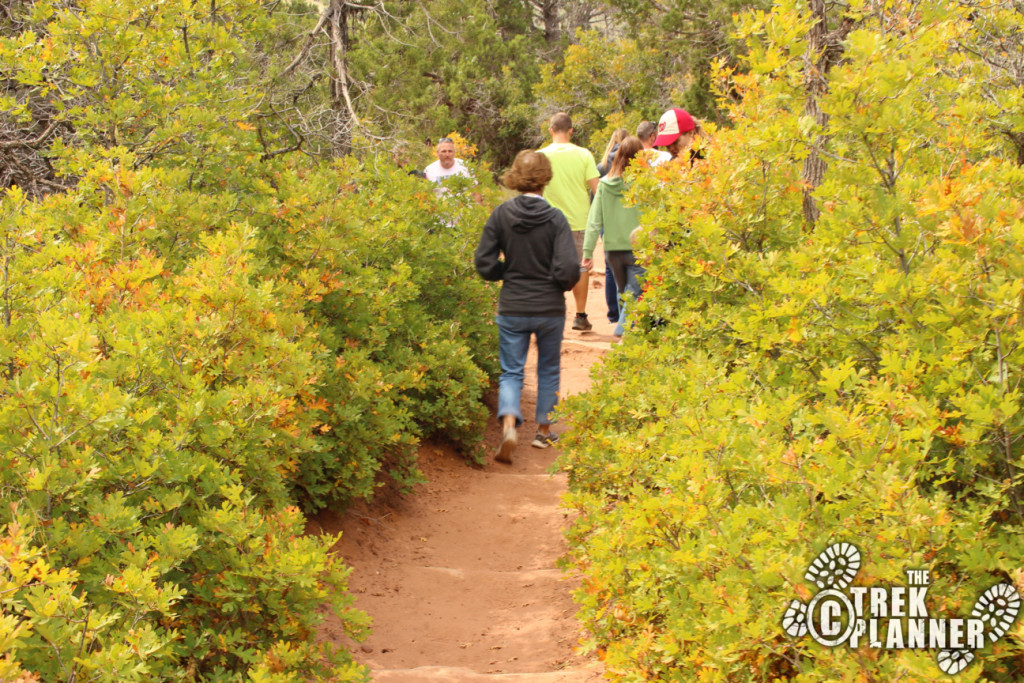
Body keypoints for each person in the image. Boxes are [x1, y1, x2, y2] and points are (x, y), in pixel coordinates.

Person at [474, 150, 580, 464]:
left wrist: (506, 273)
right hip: (549, 308)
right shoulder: (557, 218)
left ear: (515, 178)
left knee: (511, 371)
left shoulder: (500, 215)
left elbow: (483, 262)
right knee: (548, 369)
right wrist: (555, 284)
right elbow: (568, 269)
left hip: (513, 306)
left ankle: (509, 423)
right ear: (545, 178)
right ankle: (543, 433)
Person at [538, 113, 600, 331]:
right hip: (578, 221)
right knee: (581, 268)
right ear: (571, 130)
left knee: (547, 269)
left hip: (546, 222)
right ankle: (580, 315)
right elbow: (597, 190)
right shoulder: (584, 155)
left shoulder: (540, 156)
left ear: (550, 130)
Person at [581, 136, 646, 338]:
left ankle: (623, 329)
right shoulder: (644, 184)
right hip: (638, 248)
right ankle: (623, 332)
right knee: (634, 293)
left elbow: (594, 220)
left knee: (623, 291)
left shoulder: (604, 184)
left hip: (612, 249)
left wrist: (587, 251)